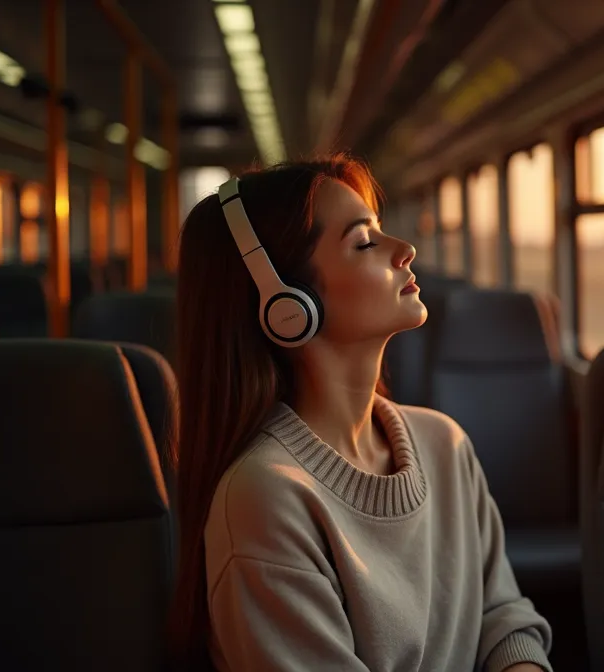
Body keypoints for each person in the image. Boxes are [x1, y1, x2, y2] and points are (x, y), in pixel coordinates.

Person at [166, 155, 553, 672]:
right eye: (365, 242)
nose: (406, 250)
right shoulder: (264, 498)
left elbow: (502, 615)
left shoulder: (444, 443)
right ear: (288, 304)